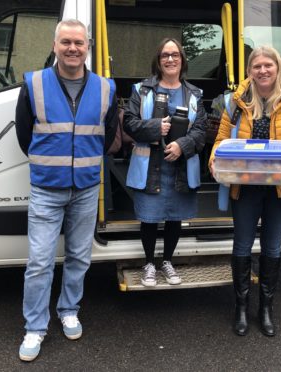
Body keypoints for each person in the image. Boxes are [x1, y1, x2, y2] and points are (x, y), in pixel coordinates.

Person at [14, 19, 118, 362]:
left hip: (87, 188)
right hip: (46, 188)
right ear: (55, 45)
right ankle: (34, 328)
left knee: (79, 256)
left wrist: (84, 162)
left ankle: (68, 309)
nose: (72, 48)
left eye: (79, 42)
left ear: (88, 46)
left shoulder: (105, 88)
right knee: (40, 261)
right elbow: (24, 135)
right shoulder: (34, 84)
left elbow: (108, 134)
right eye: (66, 42)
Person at [209, 45, 281, 337]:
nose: (263, 70)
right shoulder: (235, 101)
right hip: (244, 186)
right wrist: (214, 159)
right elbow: (219, 140)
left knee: (271, 248)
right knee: (242, 247)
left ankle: (265, 309)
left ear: (277, 67)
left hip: (278, 188)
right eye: (257, 66)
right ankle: (241, 308)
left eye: (268, 65)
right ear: (249, 71)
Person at [123, 38, 207, 287]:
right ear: (158, 61)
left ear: (182, 60)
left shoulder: (194, 94)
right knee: (149, 218)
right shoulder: (141, 90)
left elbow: (201, 130)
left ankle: (167, 261)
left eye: (175, 55)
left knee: (174, 217)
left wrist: (183, 145)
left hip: (180, 166)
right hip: (150, 166)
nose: (170, 59)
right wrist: (155, 127)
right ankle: (149, 263)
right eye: (165, 55)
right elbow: (128, 122)